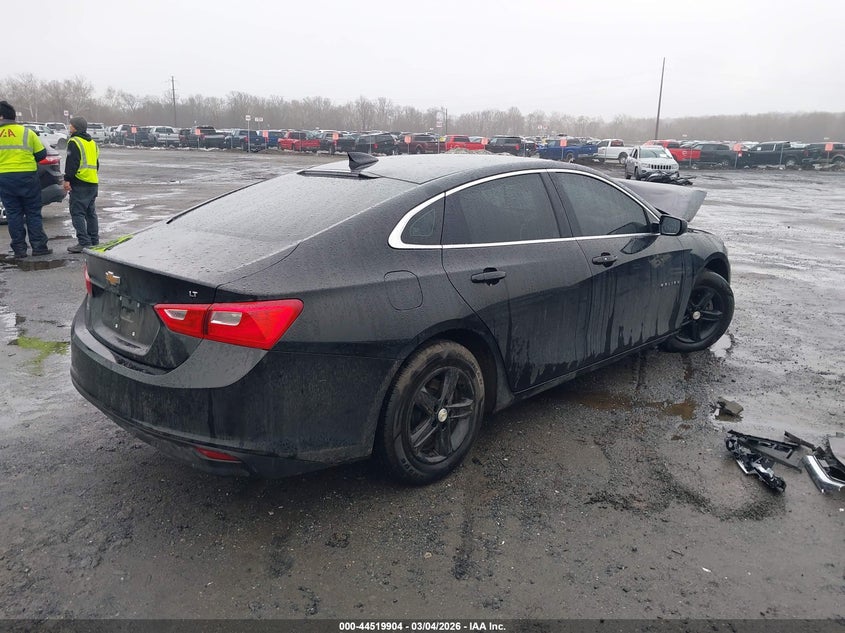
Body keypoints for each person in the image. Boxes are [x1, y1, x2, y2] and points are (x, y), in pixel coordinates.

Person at [0, 100, 53, 258]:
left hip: (4, 178)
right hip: (28, 177)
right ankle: (39, 247)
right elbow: (41, 155)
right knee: (33, 212)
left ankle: (19, 249)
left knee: (13, 213)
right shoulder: (27, 132)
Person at [64, 115, 99, 253]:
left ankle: (84, 242)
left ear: (75, 127)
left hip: (80, 183)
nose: (69, 127)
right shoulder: (92, 143)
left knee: (77, 213)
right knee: (91, 213)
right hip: (92, 182)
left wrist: (67, 179)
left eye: (70, 125)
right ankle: (94, 240)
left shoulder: (74, 141)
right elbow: (96, 164)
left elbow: (71, 163)